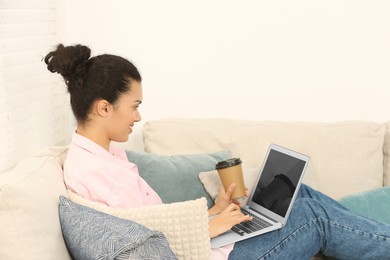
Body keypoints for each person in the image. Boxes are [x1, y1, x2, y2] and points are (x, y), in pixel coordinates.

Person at [45, 44, 390, 259]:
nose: (138, 116)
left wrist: (215, 215)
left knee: (301, 198)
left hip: (212, 247)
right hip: (213, 256)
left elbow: (153, 220)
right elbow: (150, 242)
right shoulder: (90, 170)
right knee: (314, 217)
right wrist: (211, 226)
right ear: (104, 108)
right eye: (133, 106)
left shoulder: (104, 156)